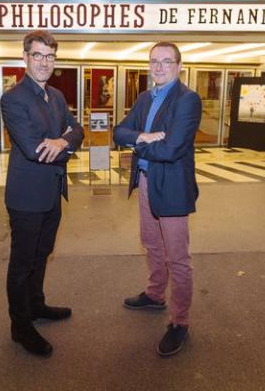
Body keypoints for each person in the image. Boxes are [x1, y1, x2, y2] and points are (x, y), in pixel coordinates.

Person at [113, 42, 202, 357]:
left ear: (179, 66)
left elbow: (172, 149)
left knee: (177, 258)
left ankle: (180, 321)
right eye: (154, 61)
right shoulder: (144, 98)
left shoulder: (187, 100)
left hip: (173, 187)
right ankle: (154, 294)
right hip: (147, 182)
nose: (160, 67)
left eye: (167, 61)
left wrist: (137, 144)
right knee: (151, 244)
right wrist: (144, 136)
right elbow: (118, 132)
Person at [0, 30, 85, 357]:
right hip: (26, 197)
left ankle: (36, 306)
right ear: (25, 58)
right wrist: (58, 140)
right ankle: (20, 326)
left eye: (50, 56)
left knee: (42, 253)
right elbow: (35, 149)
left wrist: (63, 140)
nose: (44, 62)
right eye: (37, 55)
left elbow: (77, 130)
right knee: (22, 263)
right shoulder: (14, 98)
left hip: (52, 192)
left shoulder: (57, 97)